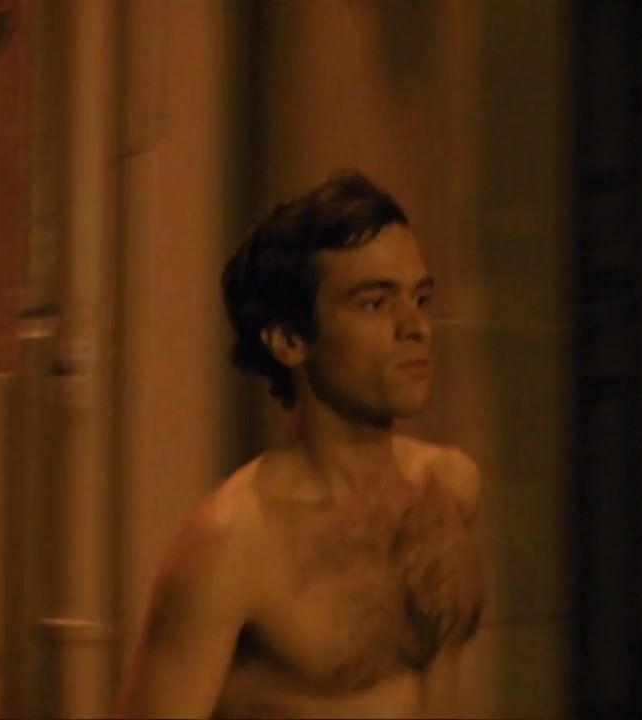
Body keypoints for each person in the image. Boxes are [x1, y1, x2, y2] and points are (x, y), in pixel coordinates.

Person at [116, 171, 483, 718]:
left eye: (420, 298)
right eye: (375, 304)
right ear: (289, 340)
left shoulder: (449, 486)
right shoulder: (233, 543)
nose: (416, 327)